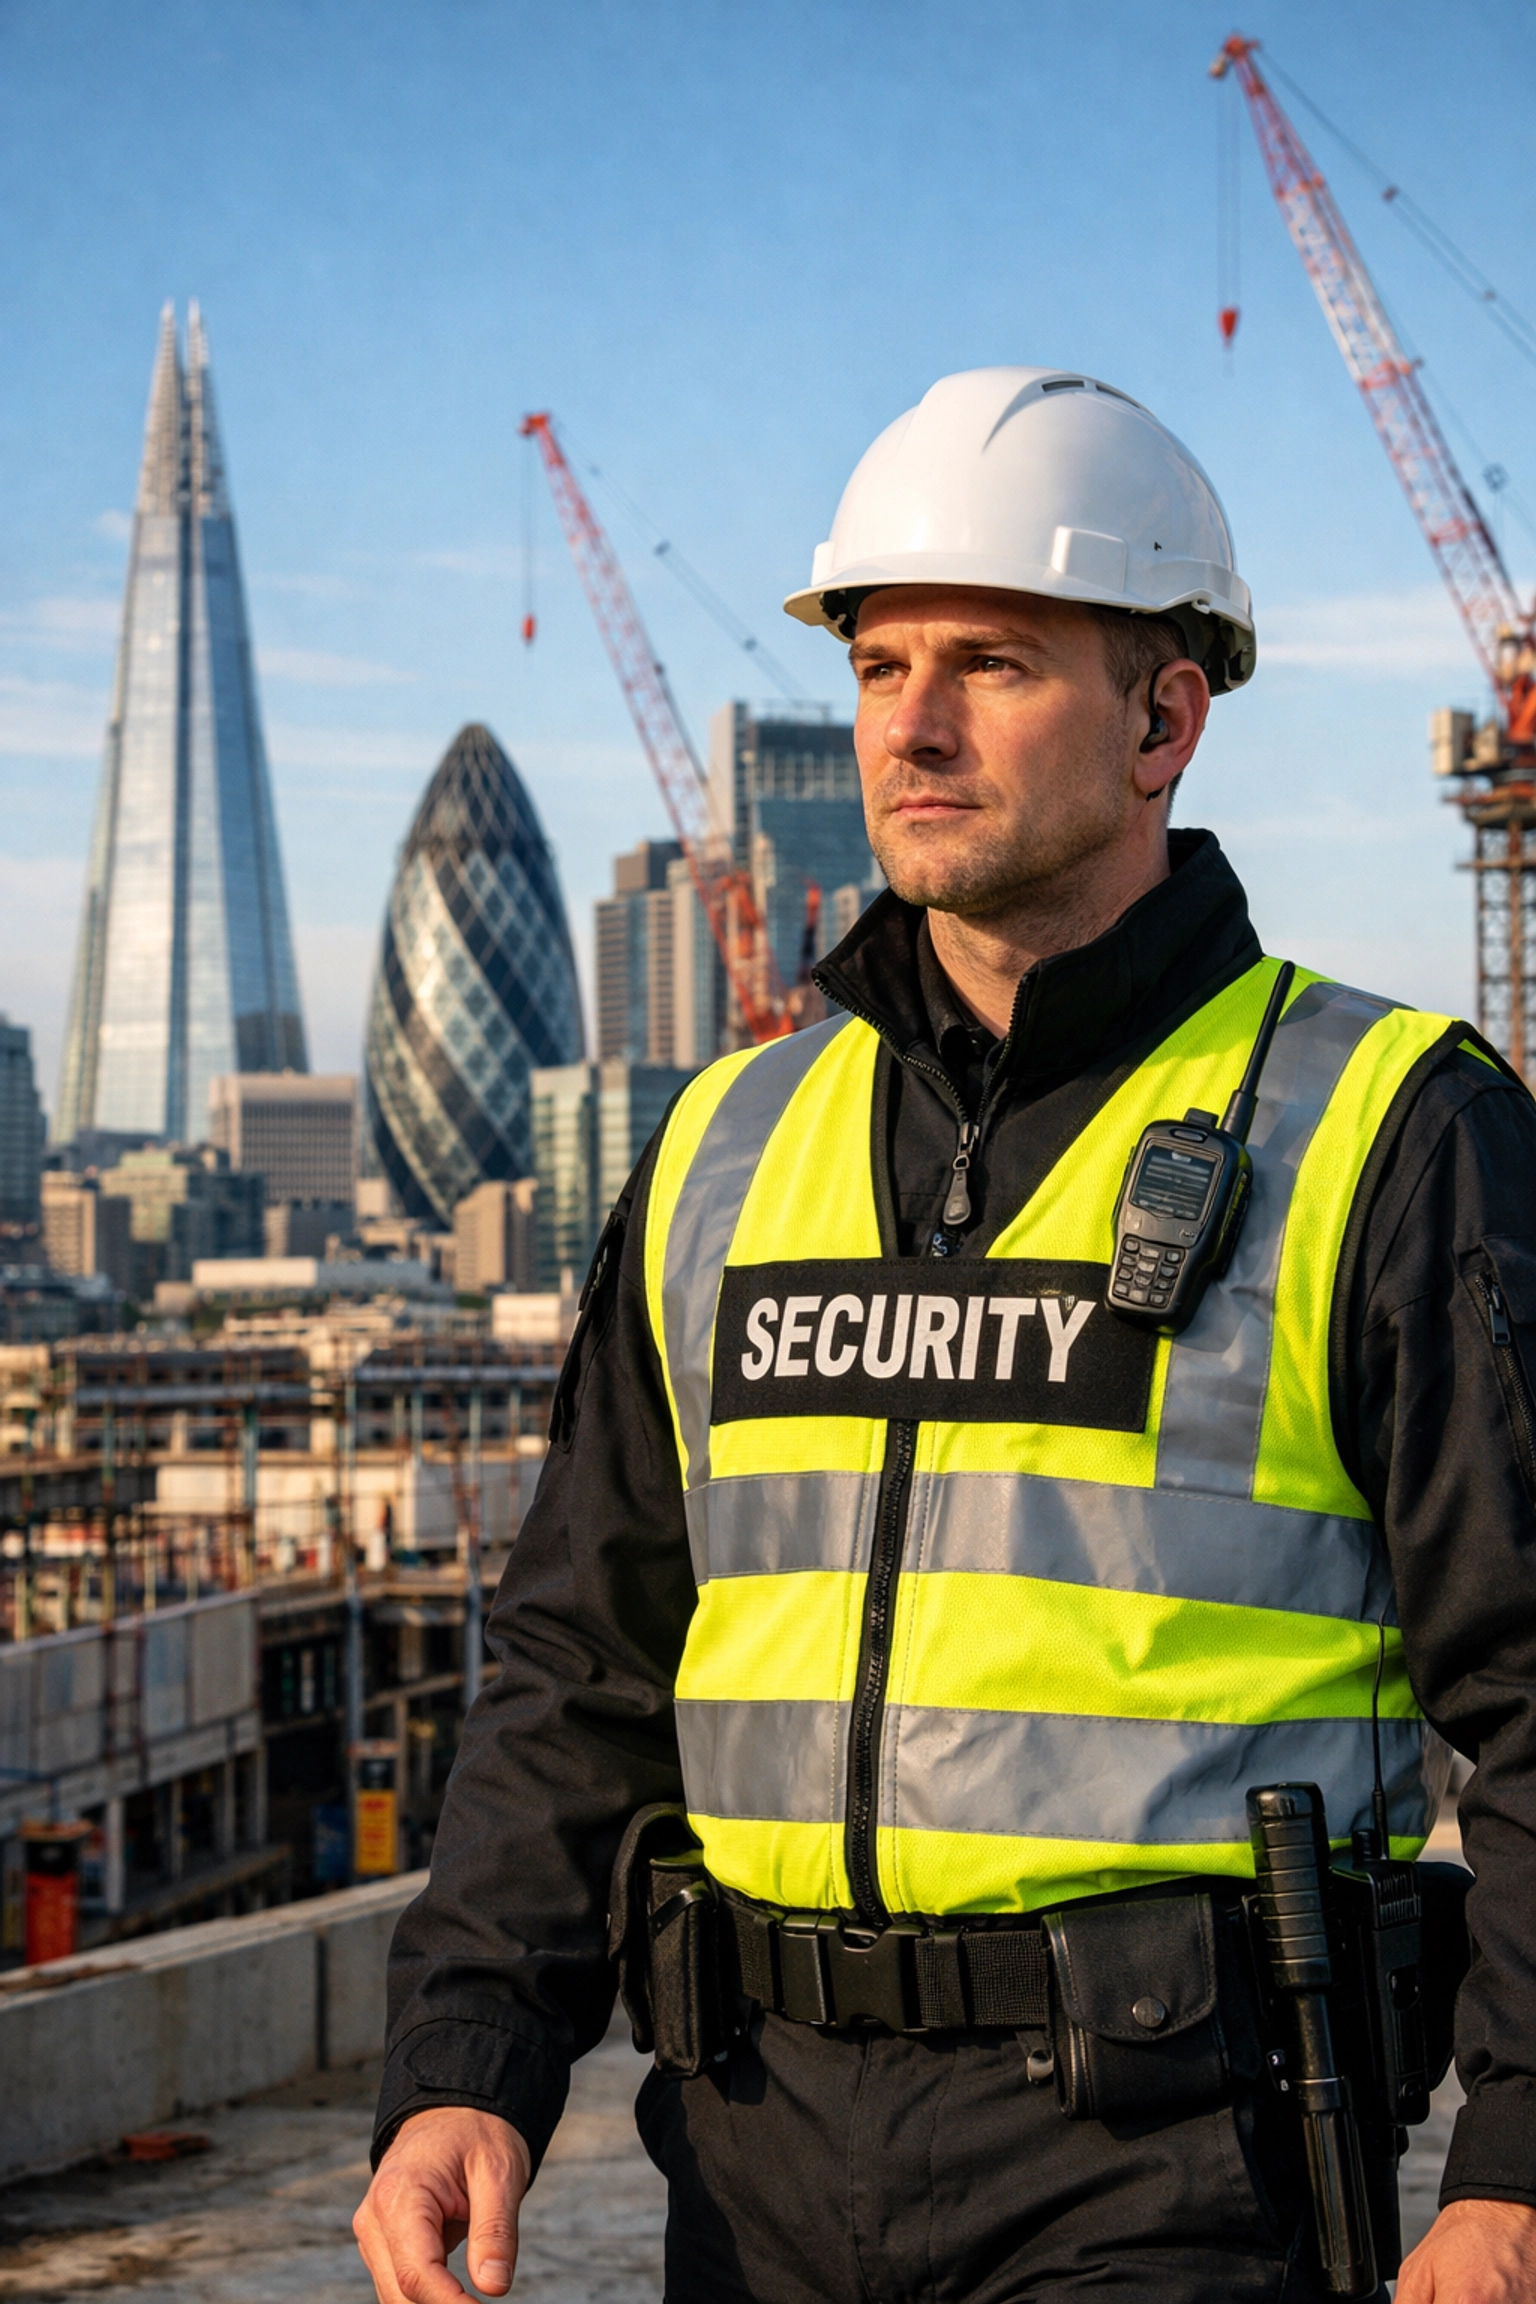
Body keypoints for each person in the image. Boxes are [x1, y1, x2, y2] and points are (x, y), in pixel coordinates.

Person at [354, 368, 1536, 2303]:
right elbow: (581, 1659)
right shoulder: (730, 1146)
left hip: (1170, 2171)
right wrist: (459, 2069)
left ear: (1166, 719)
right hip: (751, 2154)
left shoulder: (1386, 1132)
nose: (908, 723)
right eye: (880, 659)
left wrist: (1520, 2167)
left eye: (990, 662)